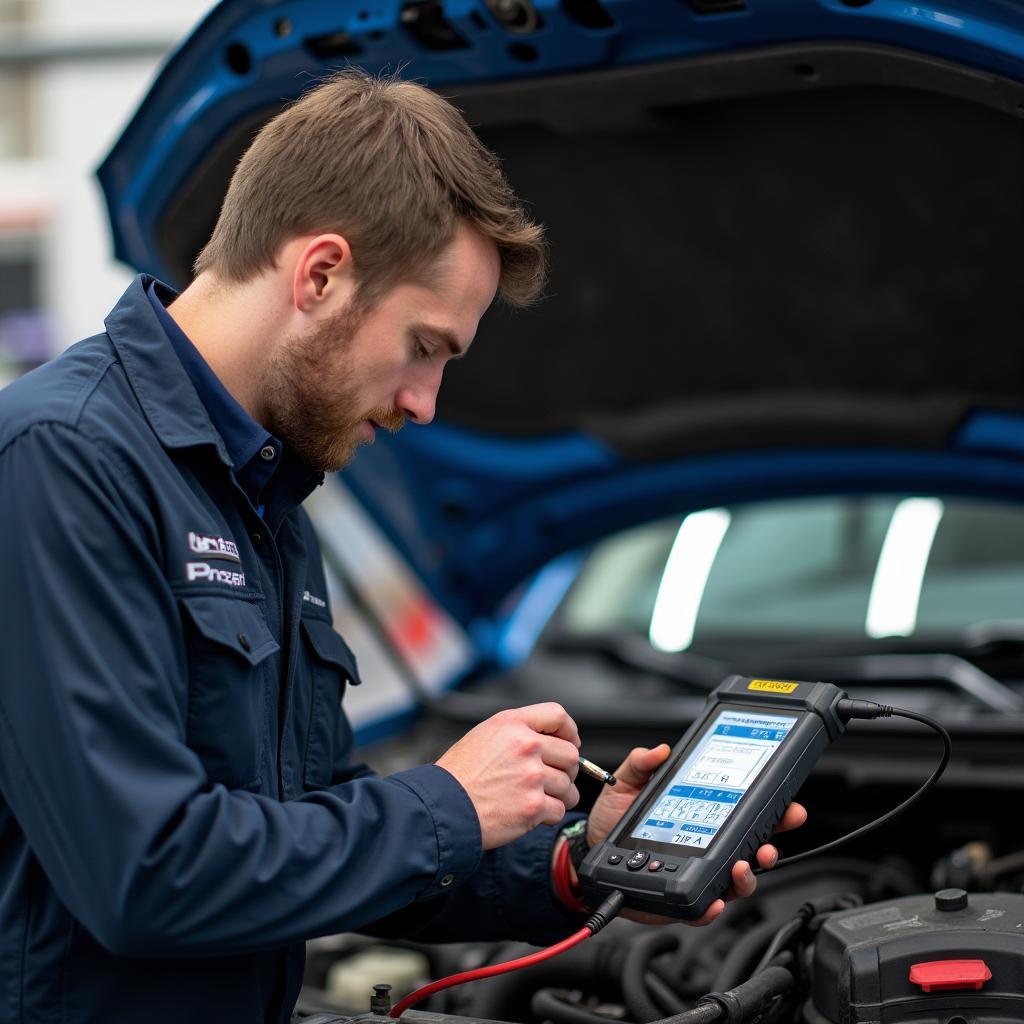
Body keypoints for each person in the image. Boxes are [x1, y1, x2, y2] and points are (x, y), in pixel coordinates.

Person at [0, 69, 805, 1023]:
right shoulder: (61, 461)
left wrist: (572, 860)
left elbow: (319, 837)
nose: (424, 405)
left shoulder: (266, 494)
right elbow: (143, 874)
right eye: (425, 347)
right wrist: (449, 804)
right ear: (321, 273)